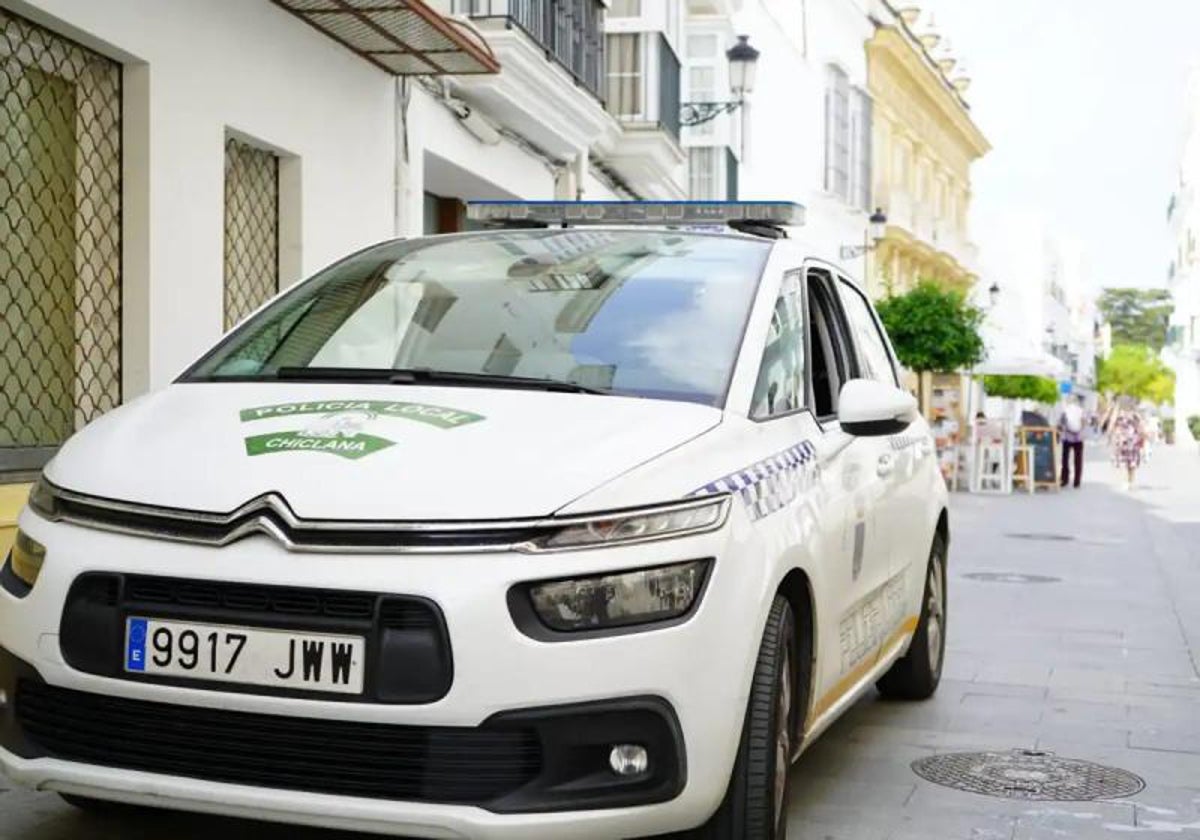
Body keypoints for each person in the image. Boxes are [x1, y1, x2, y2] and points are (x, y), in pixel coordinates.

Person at [1109, 404, 1145, 490]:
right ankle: (1130, 482)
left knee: (1125, 463)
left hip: (1123, 442)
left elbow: (1112, 425)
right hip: (1132, 442)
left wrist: (1112, 436)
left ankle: (1127, 482)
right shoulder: (1135, 415)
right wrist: (1142, 438)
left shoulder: (1119, 414)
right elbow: (1141, 428)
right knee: (1131, 463)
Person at [1058, 396, 1085, 488]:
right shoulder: (1081, 410)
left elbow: (1062, 422)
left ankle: (1064, 479)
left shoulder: (1065, 410)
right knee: (1078, 459)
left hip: (1067, 437)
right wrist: (1080, 430)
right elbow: (1083, 422)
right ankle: (1077, 481)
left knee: (1065, 459)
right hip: (1078, 437)